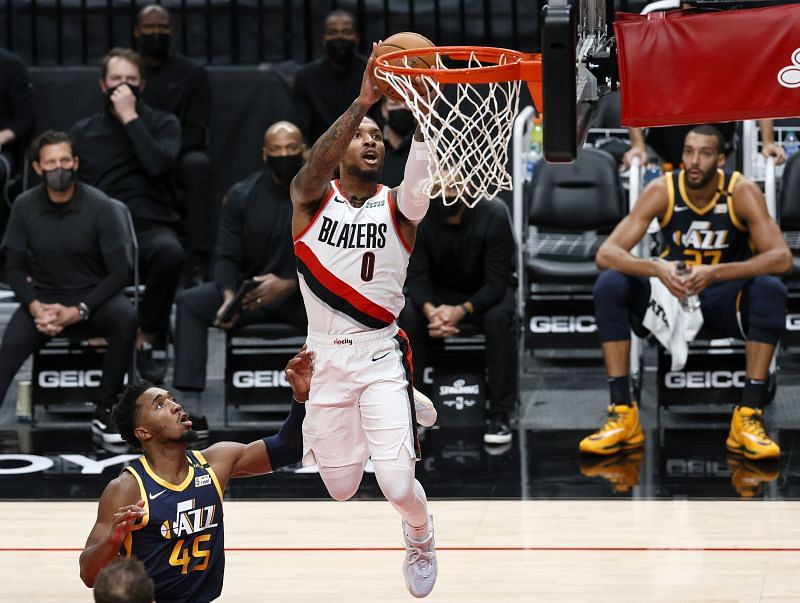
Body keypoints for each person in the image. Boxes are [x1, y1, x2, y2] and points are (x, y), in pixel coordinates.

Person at [290, 43, 439, 598]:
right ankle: (405, 403)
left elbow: (421, 178)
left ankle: (420, 533)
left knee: (399, 485)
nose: (371, 139)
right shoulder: (309, 200)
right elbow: (312, 167)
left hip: (379, 353)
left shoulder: (399, 207)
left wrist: (425, 106)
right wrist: (363, 102)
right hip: (325, 357)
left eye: (378, 134)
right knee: (341, 488)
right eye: (361, 135)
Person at [581, 125, 791, 461]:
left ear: (721, 160)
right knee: (610, 283)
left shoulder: (742, 191)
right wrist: (657, 269)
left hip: (722, 296)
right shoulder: (662, 189)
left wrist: (716, 273)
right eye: (688, 152)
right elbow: (607, 254)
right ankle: (623, 412)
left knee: (770, 289)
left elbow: (781, 258)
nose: (693, 161)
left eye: (705, 153)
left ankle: (748, 415)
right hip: (671, 293)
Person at [79, 346, 313, 602]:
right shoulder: (127, 488)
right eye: (160, 405)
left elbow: (289, 448)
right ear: (143, 432)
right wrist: (113, 540)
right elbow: (88, 575)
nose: (175, 406)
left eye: (171, 399)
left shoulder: (215, 463)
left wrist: (301, 398)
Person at [0, 130, 136, 443]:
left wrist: (79, 311)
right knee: (9, 347)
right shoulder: (24, 205)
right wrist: (36, 308)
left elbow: (119, 273)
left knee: (125, 318)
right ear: (37, 168)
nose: (58, 168)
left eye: (65, 160)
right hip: (44, 301)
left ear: (75, 163)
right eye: (51, 162)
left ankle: (106, 412)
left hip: (92, 298)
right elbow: (14, 268)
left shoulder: (100, 206)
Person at [172, 121, 308, 408]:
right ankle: (192, 411)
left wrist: (288, 285)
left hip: (304, 298)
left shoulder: (323, 195)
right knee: (190, 303)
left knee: (344, 310)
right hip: (252, 297)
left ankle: (343, 405)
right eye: (277, 149)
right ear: (264, 155)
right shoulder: (241, 195)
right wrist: (229, 298)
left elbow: (335, 258)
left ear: (305, 152)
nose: (284, 155)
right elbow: (226, 255)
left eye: (291, 148)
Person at [70, 48, 184, 385]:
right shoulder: (84, 131)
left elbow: (159, 165)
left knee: (170, 253)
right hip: (100, 229)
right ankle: (96, 329)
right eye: (116, 79)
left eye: (131, 80)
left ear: (142, 85)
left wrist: (130, 117)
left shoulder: (163, 123)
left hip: (149, 224)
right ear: (102, 85)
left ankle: (147, 335)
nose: (124, 86)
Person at [400, 189, 517, 447]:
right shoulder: (418, 217)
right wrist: (432, 312)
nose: (446, 194)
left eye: (453, 187)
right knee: (408, 315)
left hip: (482, 293)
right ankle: (413, 412)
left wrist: (461, 310)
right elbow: (416, 277)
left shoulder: (494, 215)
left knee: (500, 317)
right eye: (439, 188)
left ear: (467, 189)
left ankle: (500, 412)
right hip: (437, 297)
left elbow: (497, 282)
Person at [134, 4, 215, 283]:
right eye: (150, 28)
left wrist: (162, 153)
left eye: (162, 27)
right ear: (136, 32)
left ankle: (199, 262)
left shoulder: (192, 74)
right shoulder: (128, 72)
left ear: (172, 31)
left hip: (176, 154)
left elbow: (197, 132)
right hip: (133, 151)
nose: (156, 33)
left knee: (198, 164)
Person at [293, 9, 381, 145]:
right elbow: (301, 127)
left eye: (346, 32)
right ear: (324, 38)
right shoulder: (306, 77)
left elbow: (380, 121)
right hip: (319, 153)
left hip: (364, 148)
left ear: (356, 37)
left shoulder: (372, 72)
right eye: (333, 33)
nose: (339, 38)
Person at [623, 119, 787, 169]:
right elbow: (636, 87)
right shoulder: (660, 40)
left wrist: (768, 142)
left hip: (720, 148)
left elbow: (758, 86)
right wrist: (637, 145)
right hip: (664, 149)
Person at [379, 97, 416, 187]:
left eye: (408, 105)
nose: (402, 108)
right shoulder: (372, 149)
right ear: (384, 110)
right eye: (395, 104)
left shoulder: (428, 150)